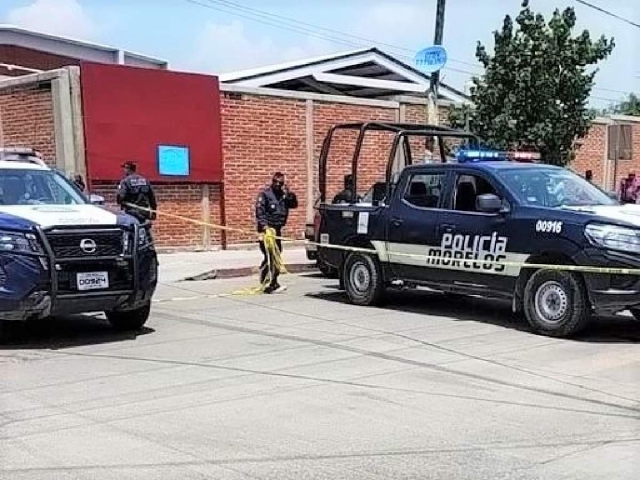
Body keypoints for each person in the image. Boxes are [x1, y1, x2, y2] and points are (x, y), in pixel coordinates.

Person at [255, 172, 298, 294]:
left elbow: (294, 205)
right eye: (276, 182)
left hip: (277, 230)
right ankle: (270, 283)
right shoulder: (265, 195)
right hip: (267, 231)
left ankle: (270, 281)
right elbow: (260, 212)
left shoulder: (283, 195)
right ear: (272, 181)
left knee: (276, 255)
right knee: (271, 256)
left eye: (280, 183)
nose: (278, 185)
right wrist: (265, 227)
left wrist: (290, 194)